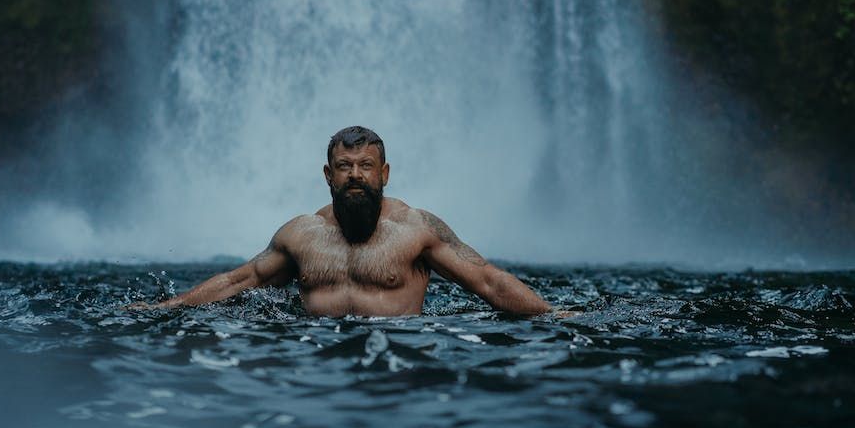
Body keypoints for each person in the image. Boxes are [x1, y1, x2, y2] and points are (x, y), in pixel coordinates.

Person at [129, 126, 555, 317]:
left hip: (398, 366)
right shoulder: (300, 235)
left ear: (384, 174)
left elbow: (489, 282)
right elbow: (241, 280)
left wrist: (556, 316)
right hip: (316, 373)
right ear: (327, 175)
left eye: (366, 165)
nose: (355, 174)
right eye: (345, 166)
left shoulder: (417, 230)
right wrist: (167, 308)